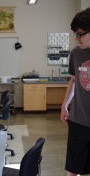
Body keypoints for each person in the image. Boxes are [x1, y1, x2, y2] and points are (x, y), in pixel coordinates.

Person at [61, 7, 90, 176]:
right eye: (75, 33)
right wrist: (65, 105)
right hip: (78, 121)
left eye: (80, 34)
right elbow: (73, 80)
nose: (76, 38)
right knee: (73, 169)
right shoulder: (76, 53)